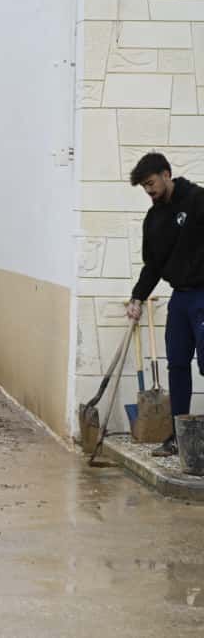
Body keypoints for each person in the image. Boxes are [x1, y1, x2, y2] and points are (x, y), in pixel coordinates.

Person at [124, 152, 204, 457]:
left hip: (203, 294)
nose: (149, 190)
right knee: (178, 364)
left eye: (151, 183)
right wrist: (137, 297)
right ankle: (178, 436)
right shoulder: (154, 219)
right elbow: (153, 266)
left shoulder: (197, 201)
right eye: (144, 187)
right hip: (181, 298)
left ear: (167, 174)